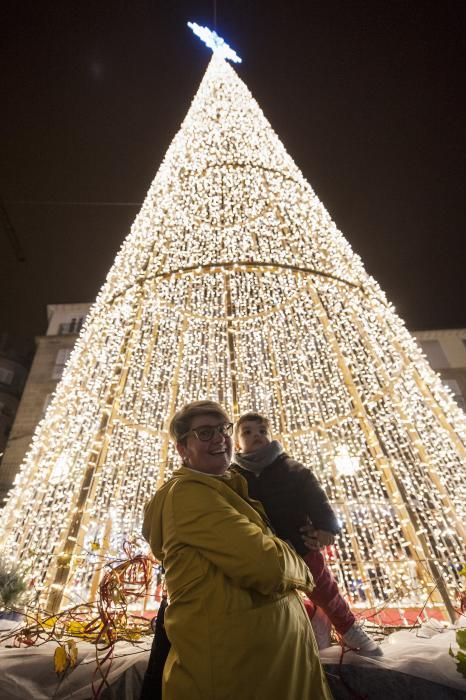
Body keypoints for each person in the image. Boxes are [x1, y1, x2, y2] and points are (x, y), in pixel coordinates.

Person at [142, 400, 333, 700]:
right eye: (204, 433)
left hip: (265, 674)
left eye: (223, 429)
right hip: (234, 678)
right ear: (182, 449)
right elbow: (267, 565)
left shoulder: (229, 491)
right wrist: (302, 563)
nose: (219, 438)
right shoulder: (190, 495)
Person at [231, 411, 382, 655]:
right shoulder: (235, 475)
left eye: (261, 431)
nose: (256, 436)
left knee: (324, 588)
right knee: (270, 600)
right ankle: (308, 619)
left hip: (299, 544)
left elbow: (315, 497)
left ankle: (349, 628)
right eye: (247, 432)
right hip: (262, 552)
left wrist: (326, 527)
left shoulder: (291, 468)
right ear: (237, 442)